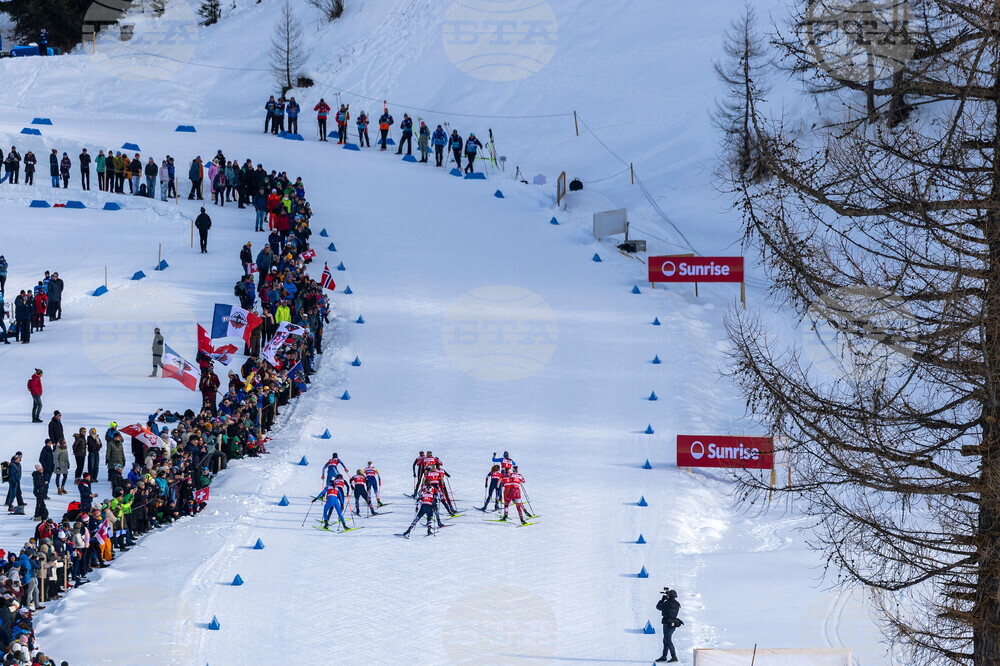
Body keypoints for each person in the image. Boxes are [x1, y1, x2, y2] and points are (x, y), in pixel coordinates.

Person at [655, 588, 682, 662]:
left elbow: (658, 607)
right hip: (673, 624)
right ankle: (664, 656)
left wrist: (662, 600)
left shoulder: (666, 603)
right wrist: (667, 599)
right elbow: (671, 605)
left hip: (667, 623)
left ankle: (674, 657)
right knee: (666, 639)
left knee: (668, 640)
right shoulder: (677, 604)